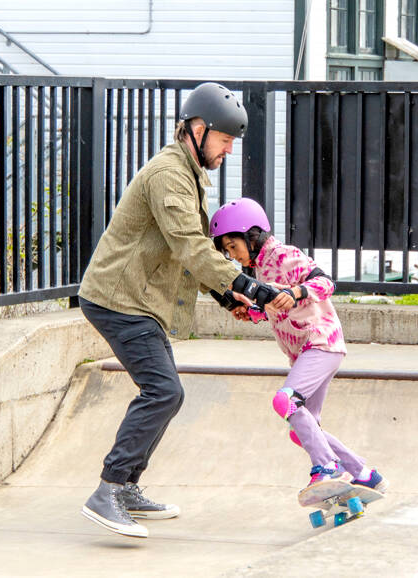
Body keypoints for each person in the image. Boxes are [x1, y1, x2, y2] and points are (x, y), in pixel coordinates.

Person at [77, 83, 281, 538]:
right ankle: (108, 489)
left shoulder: (189, 174)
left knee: (169, 393)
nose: (228, 150)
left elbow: (186, 249)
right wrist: (250, 284)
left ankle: (125, 486)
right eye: (225, 140)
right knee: (163, 392)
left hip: (137, 301)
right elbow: (190, 247)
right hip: (118, 299)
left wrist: (226, 295)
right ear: (197, 129)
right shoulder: (169, 175)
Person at [209, 198, 388, 494]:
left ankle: (327, 467)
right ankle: (363, 473)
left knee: (286, 401)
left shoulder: (282, 255)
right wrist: (253, 311)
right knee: (302, 431)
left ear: (251, 235)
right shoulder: (262, 269)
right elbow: (276, 305)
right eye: (227, 251)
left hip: (320, 343)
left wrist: (296, 292)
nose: (233, 256)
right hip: (310, 351)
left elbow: (325, 283)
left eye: (233, 246)